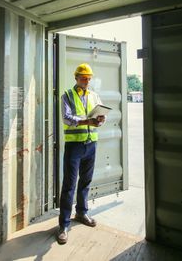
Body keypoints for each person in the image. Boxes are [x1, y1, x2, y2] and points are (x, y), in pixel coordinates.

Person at [56, 63, 106, 245]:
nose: (87, 81)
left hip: (91, 144)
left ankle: (82, 212)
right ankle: (63, 225)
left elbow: (100, 117)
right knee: (69, 185)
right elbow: (67, 118)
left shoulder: (94, 95)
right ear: (76, 77)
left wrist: (100, 120)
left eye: (89, 78)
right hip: (74, 146)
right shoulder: (67, 96)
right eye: (84, 78)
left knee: (85, 181)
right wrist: (88, 121)